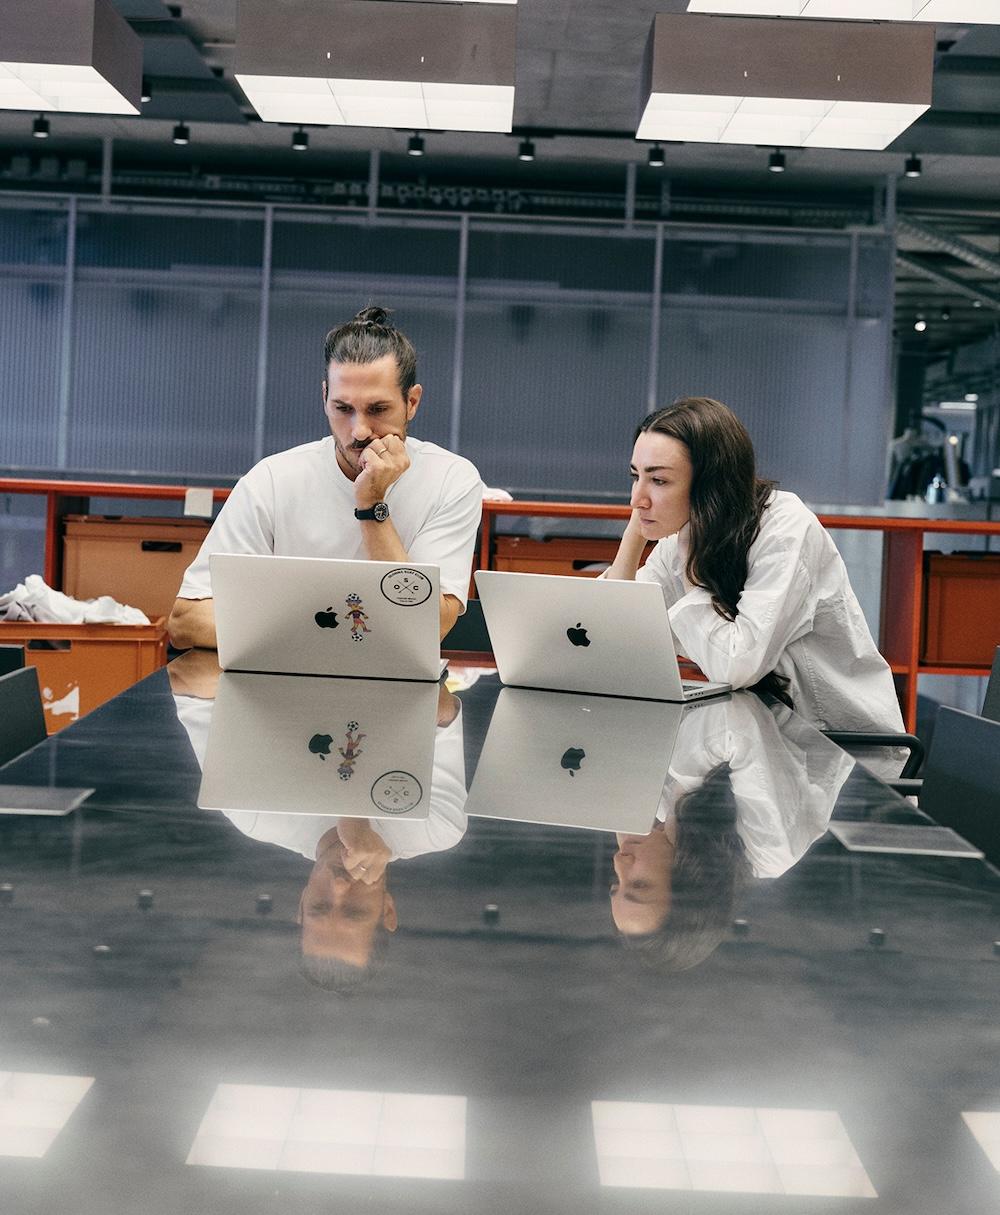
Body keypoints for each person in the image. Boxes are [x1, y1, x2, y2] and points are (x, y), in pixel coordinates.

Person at [167, 306, 484, 649]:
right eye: (343, 408)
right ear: (324, 399)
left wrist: (370, 505)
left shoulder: (451, 479)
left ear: (412, 402)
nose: (359, 430)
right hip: (281, 687)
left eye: (378, 409)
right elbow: (186, 620)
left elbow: (427, 626)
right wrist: (316, 641)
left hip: (396, 690)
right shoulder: (273, 479)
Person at [604, 396, 905, 740]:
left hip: (842, 752)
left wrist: (691, 569)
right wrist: (634, 534)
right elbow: (613, 626)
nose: (636, 498)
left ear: (709, 485)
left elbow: (736, 665)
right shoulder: (685, 534)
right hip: (766, 739)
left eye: (658, 481)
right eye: (635, 476)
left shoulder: (785, 530)